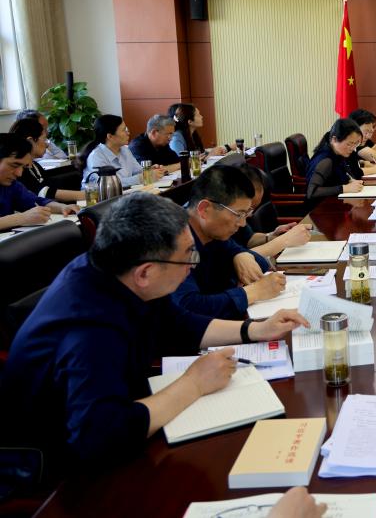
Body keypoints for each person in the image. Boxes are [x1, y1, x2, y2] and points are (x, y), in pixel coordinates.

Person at [0, 193, 309, 483]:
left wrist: (255, 330)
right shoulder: (89, 328)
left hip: (124, 407)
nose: (193, 266)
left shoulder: (120, 270)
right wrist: (194, 384)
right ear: (145, 273)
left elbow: (179, 324)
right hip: (57, 467)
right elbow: (101, 436)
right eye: (187, 257)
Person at [171, 166, 284, 320]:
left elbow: (259, 264)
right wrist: (253, 292)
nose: (243, 224)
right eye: (239, 214)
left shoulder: (213, 233)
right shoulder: (172, 240)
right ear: (205, 209)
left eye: (246, 214)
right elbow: (188, 307)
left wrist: (240, 254)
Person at [0, 134, 78, 230]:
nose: (19, 173)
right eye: (14, 165)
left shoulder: (12, 185)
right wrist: (21, 218)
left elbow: (37, 201)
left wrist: (62, 207)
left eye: (22, 167)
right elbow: (23, 217)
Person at [233, 163, 312, 258]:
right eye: (244, 211)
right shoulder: (219, 231)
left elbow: (249, 239)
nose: (249, 216)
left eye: (253, 209)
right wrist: (284, 240)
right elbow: (238, 259)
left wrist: (271, 236)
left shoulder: (236, 216)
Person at [10, 118, 84, 203]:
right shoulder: (20, 170)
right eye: (44, 139)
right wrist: (87, 195)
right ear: (31, 141)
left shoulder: (35, 166)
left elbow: (50, 191)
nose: (46, 144)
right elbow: (42, 193)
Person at [81, 115, 163, 188]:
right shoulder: (96, 157)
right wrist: (142, 178)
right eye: (124, 130)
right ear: (110, 136)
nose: (128, 133)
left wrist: (149, 170)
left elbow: (137, 171)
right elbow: (106, 185)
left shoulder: (125, 149)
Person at [306, 118, 365, 200]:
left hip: (334, 201)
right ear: (334, 140)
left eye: (356, 144)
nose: (353, 148)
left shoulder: (338, 153)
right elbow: (311, 193)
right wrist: (344, 188)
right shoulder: (326, 161)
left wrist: (350, 181)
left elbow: (339, 177)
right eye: (349, 144)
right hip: (320, 206)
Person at [348, 109, 376, 176]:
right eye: (366, 132)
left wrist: (362, 163)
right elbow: (351, 172)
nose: (369, 136)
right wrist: (375, 169)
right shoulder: (347, 144)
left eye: (370, 132)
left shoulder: (354, 143)